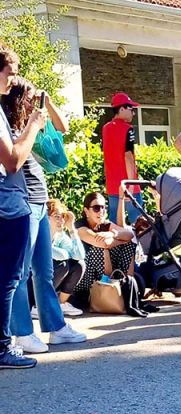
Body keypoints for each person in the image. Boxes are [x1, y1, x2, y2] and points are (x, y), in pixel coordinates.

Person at [1, 79, 86, 353]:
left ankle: (56, 327)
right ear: (16, 100)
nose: (31, 103)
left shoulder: (31, 124)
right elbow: (14, 161)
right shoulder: (12, 128)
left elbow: (63, 128)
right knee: (21, 272)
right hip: (24, 203)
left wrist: (46, 102)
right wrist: (31, 127)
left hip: (40, 201)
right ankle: (22, 332)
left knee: (44, 272)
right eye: (27, 98)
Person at [0, 43, 45, 368]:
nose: (13, 81)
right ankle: (3, 347)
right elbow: (13, 160)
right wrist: (34, 125)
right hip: (9, 206)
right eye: (9, 73)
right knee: (8, 279)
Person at [72, 192, 143, 316]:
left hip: (101, 270)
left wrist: (113, 234)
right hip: (82, 279)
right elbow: (103, 244)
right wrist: (114, 240)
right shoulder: (80, 227)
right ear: (86, 211)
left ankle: (128, 286)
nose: (101, 211)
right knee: (99, 249)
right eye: (96, 208)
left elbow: (129, 235)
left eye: (104, 207)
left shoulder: (106, 225)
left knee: (129, 244)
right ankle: (109, 288)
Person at [102, 92, 142, 224]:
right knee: (139, 223)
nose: (133, 113)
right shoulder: (127, 129)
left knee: (114, 222)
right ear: (122, 109)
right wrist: (131, 184)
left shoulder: (106, 128)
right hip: (127, 184)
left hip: (112, 185)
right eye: (131, 109)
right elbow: (128, 157)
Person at [46, 200, 85, 316]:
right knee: (62, 264)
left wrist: (72, 229)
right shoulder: (38, 234)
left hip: (48, 280)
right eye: (56, 217)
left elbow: (80, 255)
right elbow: (62, 256)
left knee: (79, 265)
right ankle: (38, 305)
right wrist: (66, 254)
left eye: (63, 217)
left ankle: (60, 303)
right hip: (31, 284)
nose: (61, 221)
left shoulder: (60, 236)